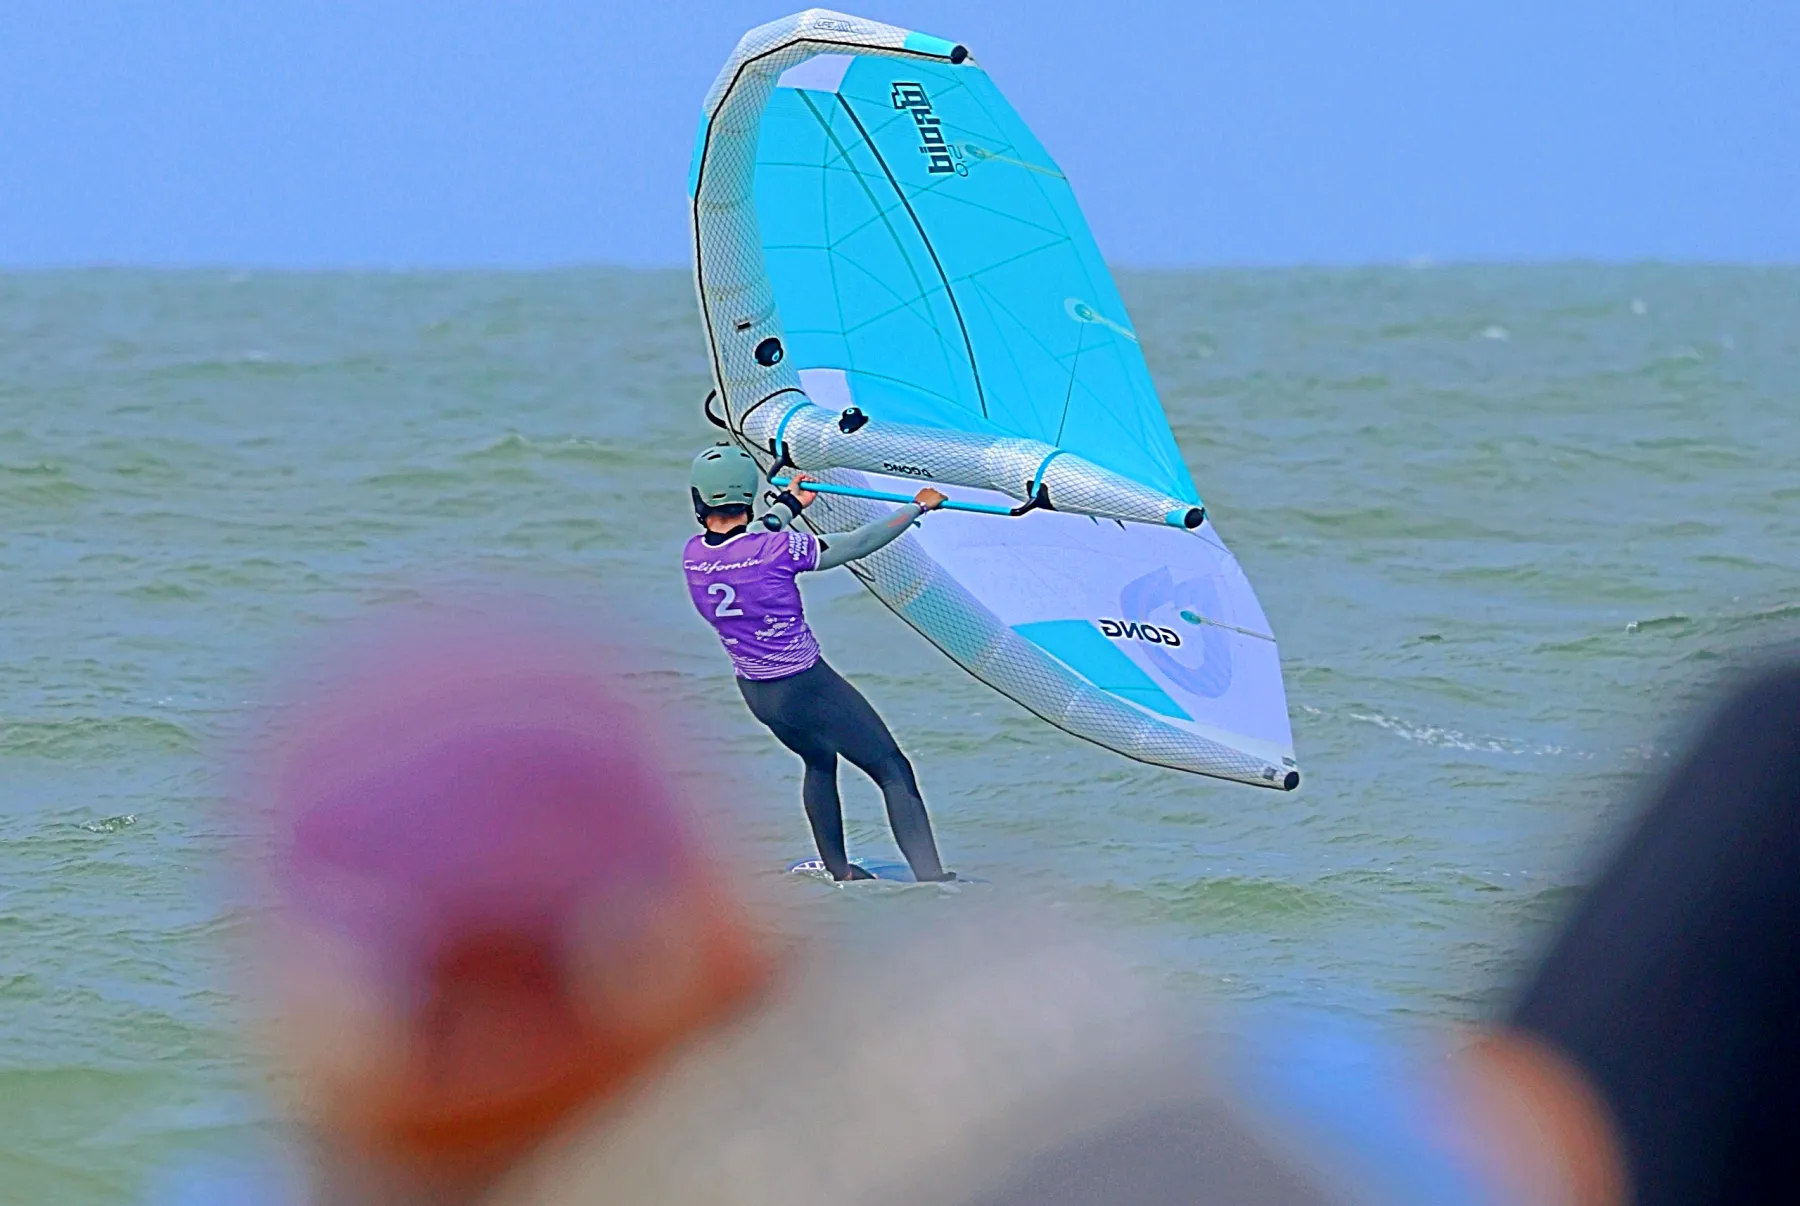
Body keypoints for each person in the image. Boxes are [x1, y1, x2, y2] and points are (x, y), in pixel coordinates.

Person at [681, 443, 954, 882]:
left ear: (700, 501)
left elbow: (754, 538)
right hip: (806, 686)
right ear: (747, 497)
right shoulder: (778, 551)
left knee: (819, 760)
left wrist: (791, 503)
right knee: (891, 769)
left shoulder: (694, 556)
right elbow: (858, 544)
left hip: (758, 693)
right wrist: (916, 507)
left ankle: (840, 872)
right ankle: (934, 882)